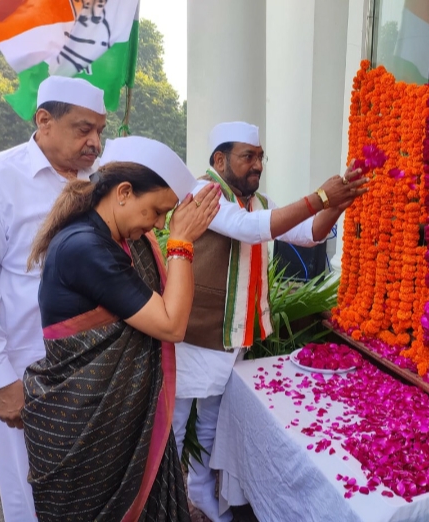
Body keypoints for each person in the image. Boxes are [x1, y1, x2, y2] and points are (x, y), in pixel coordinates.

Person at [172, 121, 368, 522]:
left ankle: (201, 494)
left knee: (210, 423)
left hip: (233, 336)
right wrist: (319, 196)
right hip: (195, 335)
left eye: (260, 157)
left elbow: (310, 234)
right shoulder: (203, 193)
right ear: (219, 160)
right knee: (174, 428)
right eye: (248, 156)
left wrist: (338, 203)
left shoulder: (259, 202)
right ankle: (166, 502)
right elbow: (248, 230)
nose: (258, 165)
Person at [23, 136, 219, 521]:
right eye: (157, 211)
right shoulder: (85, 246)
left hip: (115, 420)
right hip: (85, 425)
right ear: (124, 193)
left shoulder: (116, 238)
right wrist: (181, 242)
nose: (159, 225)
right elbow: (170, 324)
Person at [0, 76, 107, 521]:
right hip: (28, 372)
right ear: (44, 121)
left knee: (91, 490)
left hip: (96, 368)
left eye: (100, 130)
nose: (95, 142)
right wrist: (2, 381)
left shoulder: (101, 181)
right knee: (31, 493)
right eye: (83, 129)